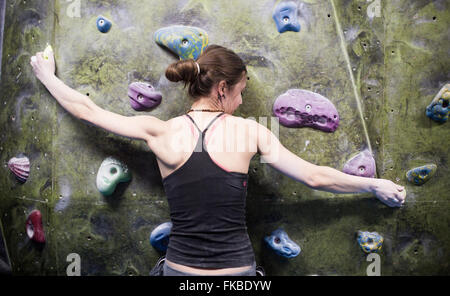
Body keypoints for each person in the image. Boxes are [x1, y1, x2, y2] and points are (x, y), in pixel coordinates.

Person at [30, 44, 406, 276]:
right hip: (238, 272)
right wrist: (373, 184)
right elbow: (315, 177)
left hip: (180, 271)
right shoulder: (251, 131)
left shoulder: (160, 130)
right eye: (241, 92)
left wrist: (46, 75)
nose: (242, 102)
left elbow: (87, 110)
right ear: (223, 88)